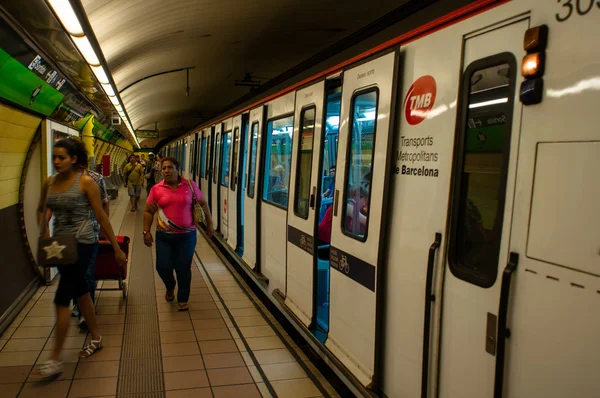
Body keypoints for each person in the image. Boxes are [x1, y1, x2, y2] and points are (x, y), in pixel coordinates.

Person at [34, 138, 126, 379]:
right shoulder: (49, 183)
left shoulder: (86, 183)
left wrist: (116, 248)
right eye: (54, 157)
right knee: (81, 290)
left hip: (84, 243)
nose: (56, 162)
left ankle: (54, 359)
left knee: (62, 297)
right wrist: (43, 228)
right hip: (60, 246)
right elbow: (42, 209)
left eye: (61, 157)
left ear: (74, 159)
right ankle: (96, 337)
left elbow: (101, 216)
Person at [143, 157, 214, 311]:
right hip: (164, 236)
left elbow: (203, 204)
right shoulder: (156, 189)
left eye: (169, 168)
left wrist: (210, 224)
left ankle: (183, 298)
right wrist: (146, 231)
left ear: (177, 169)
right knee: (162, 266)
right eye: (163, 168)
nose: (166, 171)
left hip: (187, 237)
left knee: (183, 267)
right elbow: (148, 211)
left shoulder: (189, 185)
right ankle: (170, 286)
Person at [71, 162, 110, 326]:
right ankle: (77, 304)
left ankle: (85, 313)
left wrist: (103, 230)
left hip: (89, 233)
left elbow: (104, 204)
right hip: (68, 236)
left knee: (86, 273)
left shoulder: (97, 179)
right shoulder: (60, 180)